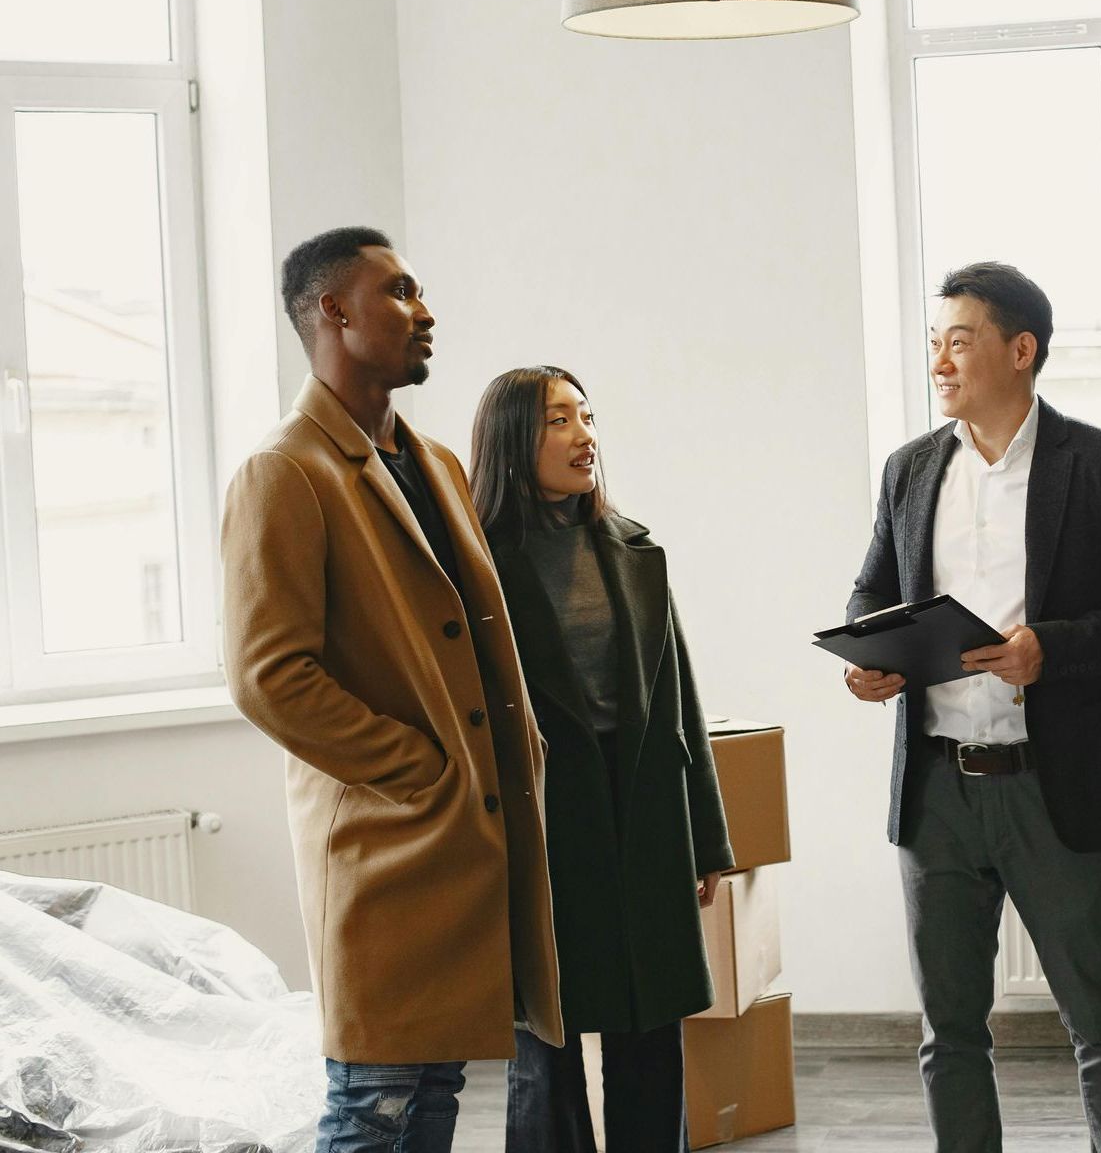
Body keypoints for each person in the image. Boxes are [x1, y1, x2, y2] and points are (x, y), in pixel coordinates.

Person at [221, 227, 563, 1153]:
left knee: (434, 1094)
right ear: (334, 311)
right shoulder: (284, 470)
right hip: (383, 845)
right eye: (402, 292)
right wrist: (420, 768)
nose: (426, 312)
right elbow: (269, 676)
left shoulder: (437, 462)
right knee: (372, 1104)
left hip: (463, 841)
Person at [844, 262, 1101, 1153]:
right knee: (947, 1030)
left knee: (1099, 1023)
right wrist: (868, 658)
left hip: (1054, 784)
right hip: (936, 790)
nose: (940, 363)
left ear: (1020, 349)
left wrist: (1052, 647)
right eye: (934, 345)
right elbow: (871, 592)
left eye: (959, 342)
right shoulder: (910, 469)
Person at [468, 366, 734, 1153]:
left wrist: (707, 839)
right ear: (514, 440)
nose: (584, 436)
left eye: (587, 417)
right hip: (548, 820)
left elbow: (681, 701)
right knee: (546, 1042)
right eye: (559, 420)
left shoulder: (631, 548)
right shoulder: (475, 567)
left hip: (644, 812)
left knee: (651, 1029)